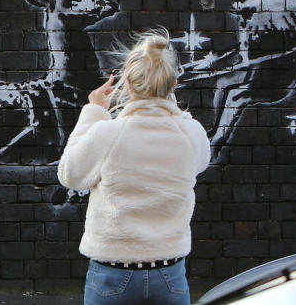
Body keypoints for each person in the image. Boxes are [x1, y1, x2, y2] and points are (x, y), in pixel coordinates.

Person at [58, 29, 211, 305]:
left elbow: (70, 174)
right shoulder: (192, 133)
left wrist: (93, 111)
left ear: (127, 85)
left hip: (112, 273)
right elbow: (197, 165)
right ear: (174, 85)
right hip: (170, 272)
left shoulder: (108, 133)